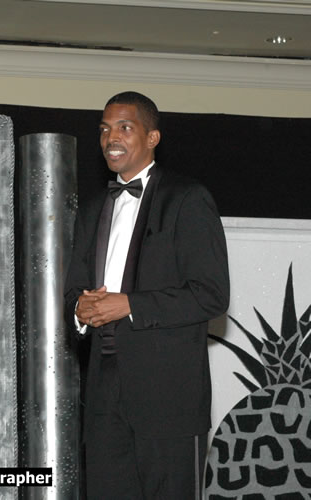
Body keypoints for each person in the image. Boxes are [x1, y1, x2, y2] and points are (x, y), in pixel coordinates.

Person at [64, 91, 229, 499]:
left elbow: (211, 295)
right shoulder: (92, 208)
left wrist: (129, 304)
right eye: (104, 130)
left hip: (168, 398)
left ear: (152, 137)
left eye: (124, 127)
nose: (111, 138)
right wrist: (79, 309)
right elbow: (74, 289)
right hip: (103, 396)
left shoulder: (187, 199)